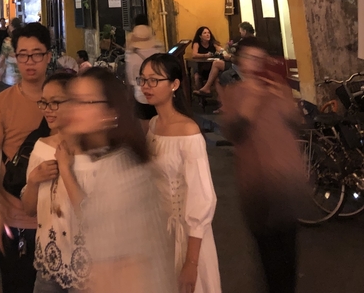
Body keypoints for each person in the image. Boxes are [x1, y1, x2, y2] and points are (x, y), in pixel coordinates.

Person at [61, 68, 176, 293]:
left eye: (84, 102)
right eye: (71, 100)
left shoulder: (123, 176)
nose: (71, 109)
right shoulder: (113, 161)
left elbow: (124, 269)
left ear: (109, 112)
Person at [219, 37, 306, 293]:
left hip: (287, 182)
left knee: (288, 255)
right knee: (269, 257)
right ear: (240, 62)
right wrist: (250, 105)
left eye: (260, 59)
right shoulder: (234, 93)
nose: (255, 64)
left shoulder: (278, 88)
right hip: (257, 187)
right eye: (250, 58)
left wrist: (285, 101)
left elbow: (296, 124)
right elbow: (233, 132)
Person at [138, 53, 221, 293]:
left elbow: (203, 198)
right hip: (158, 232)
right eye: (143, 80)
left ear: (174, 84)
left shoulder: (188, 132)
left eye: (154, 80)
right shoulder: (153, 125)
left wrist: (191, 262)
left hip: (187, 238)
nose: (146, 86)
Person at [0, 22, 52, 293]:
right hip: (16, 219)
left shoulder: (63, 99)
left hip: (59, 220)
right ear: (15, 57)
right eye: (23, 54)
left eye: (37, 54)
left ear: (48, 56)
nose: (29, 61)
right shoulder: (2, 103)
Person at [21, 72, 89, 293]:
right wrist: (32, 182)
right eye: (44, 102)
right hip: (49, 263)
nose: (47, 109)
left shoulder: (93, 153)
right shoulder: (41, 147)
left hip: (87, 265)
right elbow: (29, 209)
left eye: (55, 103)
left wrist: (66, 169)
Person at [125, 22, 165, 126]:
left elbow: (131, 79)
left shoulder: (132, 56)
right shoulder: (159, 51)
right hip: (160, 91)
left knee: (146, 126)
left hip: (142, 93)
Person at [199, 23, 255, 95]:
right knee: (217, 76)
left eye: (240, 31)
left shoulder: (246, 42)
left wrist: (229, 57)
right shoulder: (249, 40)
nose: (240, 33)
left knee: (218, 67)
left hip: (240, 67)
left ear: (244, 31)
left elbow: (239, 59)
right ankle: (222, 100)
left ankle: (207, 88)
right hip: (237, 64)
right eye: (205, 33)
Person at [190, 27, 222, 92]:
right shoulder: (197, 44)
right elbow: (194, 55)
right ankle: (200, 97)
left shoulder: (212, 43)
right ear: (200, 36)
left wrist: (220, 51)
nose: (207, 34)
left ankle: (219, 98)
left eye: (208, 33)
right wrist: (205, 55)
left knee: (217, 78)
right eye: (205, 33)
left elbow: (221, 50)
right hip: (201, 67)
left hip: (211, 67)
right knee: (197, 77)